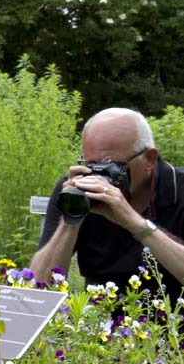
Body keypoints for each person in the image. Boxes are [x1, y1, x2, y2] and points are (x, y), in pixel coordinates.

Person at [30, 107, 184, 309]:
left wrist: (136, 224)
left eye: (113, 165)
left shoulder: (179, 189)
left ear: (150, 159)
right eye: (91, 164)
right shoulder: (77, 188)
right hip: (100, 330)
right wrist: (71, 219)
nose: (101, 175)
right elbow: (38, 288)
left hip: (175, 332)